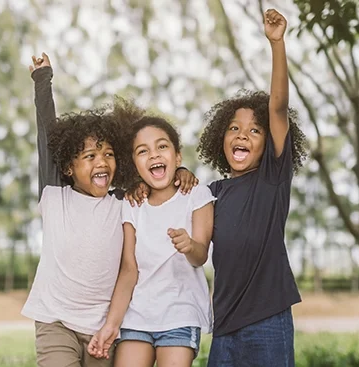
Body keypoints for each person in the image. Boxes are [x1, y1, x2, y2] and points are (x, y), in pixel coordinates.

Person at [21, 54, 198, 367]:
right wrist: (42, 79)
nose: (101, 161)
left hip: (103, 327)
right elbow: (46, 134)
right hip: (56, 321)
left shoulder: (124, 201)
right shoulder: (54, 194)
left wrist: (180, 170)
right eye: (89, 156)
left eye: (108, 154)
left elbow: (154, 171)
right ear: (68, 166)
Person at [196, 9, 307, 366]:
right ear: (220, 139)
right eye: (233, 128)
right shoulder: (211, 193)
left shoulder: (272, 180)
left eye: (254, 130)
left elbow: (277, 107)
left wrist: (277, 44)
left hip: (268, 322)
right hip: (225, 326)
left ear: (266, 144)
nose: (242, 134)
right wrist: (182, 175)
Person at [88, 111, 214, 367]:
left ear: (177, 156)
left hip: (180, 314)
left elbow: (200, 256)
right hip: (137, 317)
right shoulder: (132, 204)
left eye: (162, 146)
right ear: (134, 164)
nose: (154, 154)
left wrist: (189, 246)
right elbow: (128, 270)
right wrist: (110, 326)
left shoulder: (197, 194)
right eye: (143, 151)